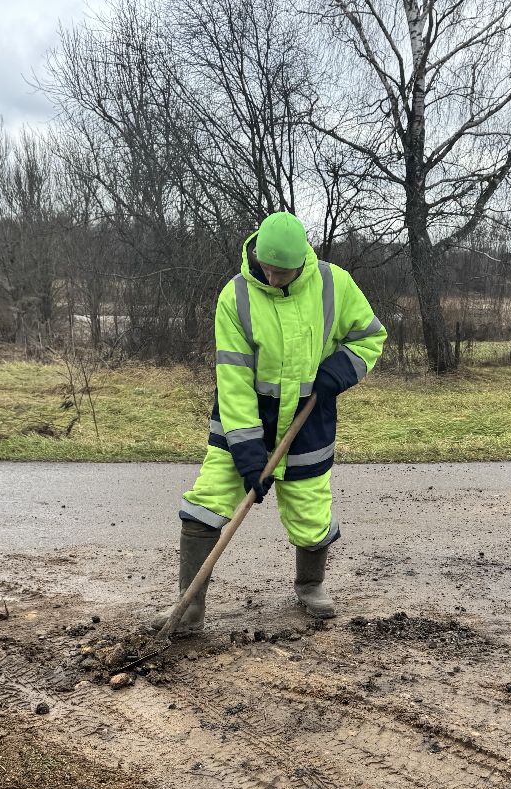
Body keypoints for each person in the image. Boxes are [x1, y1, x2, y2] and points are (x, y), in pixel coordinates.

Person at [162, 211, 386, 633]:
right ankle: (188, 610)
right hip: (245, 419)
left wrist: (341, 368)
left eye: (281, 272)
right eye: (266, 268)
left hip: (308, 419)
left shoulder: (334, 284)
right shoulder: (236, 296)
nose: (272, 277)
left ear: (302, 260)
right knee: (203, 505)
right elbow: (233, 376)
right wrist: (246, 449)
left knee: (311, 515)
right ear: (255, 255)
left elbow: (371, 336)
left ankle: (310, 585)